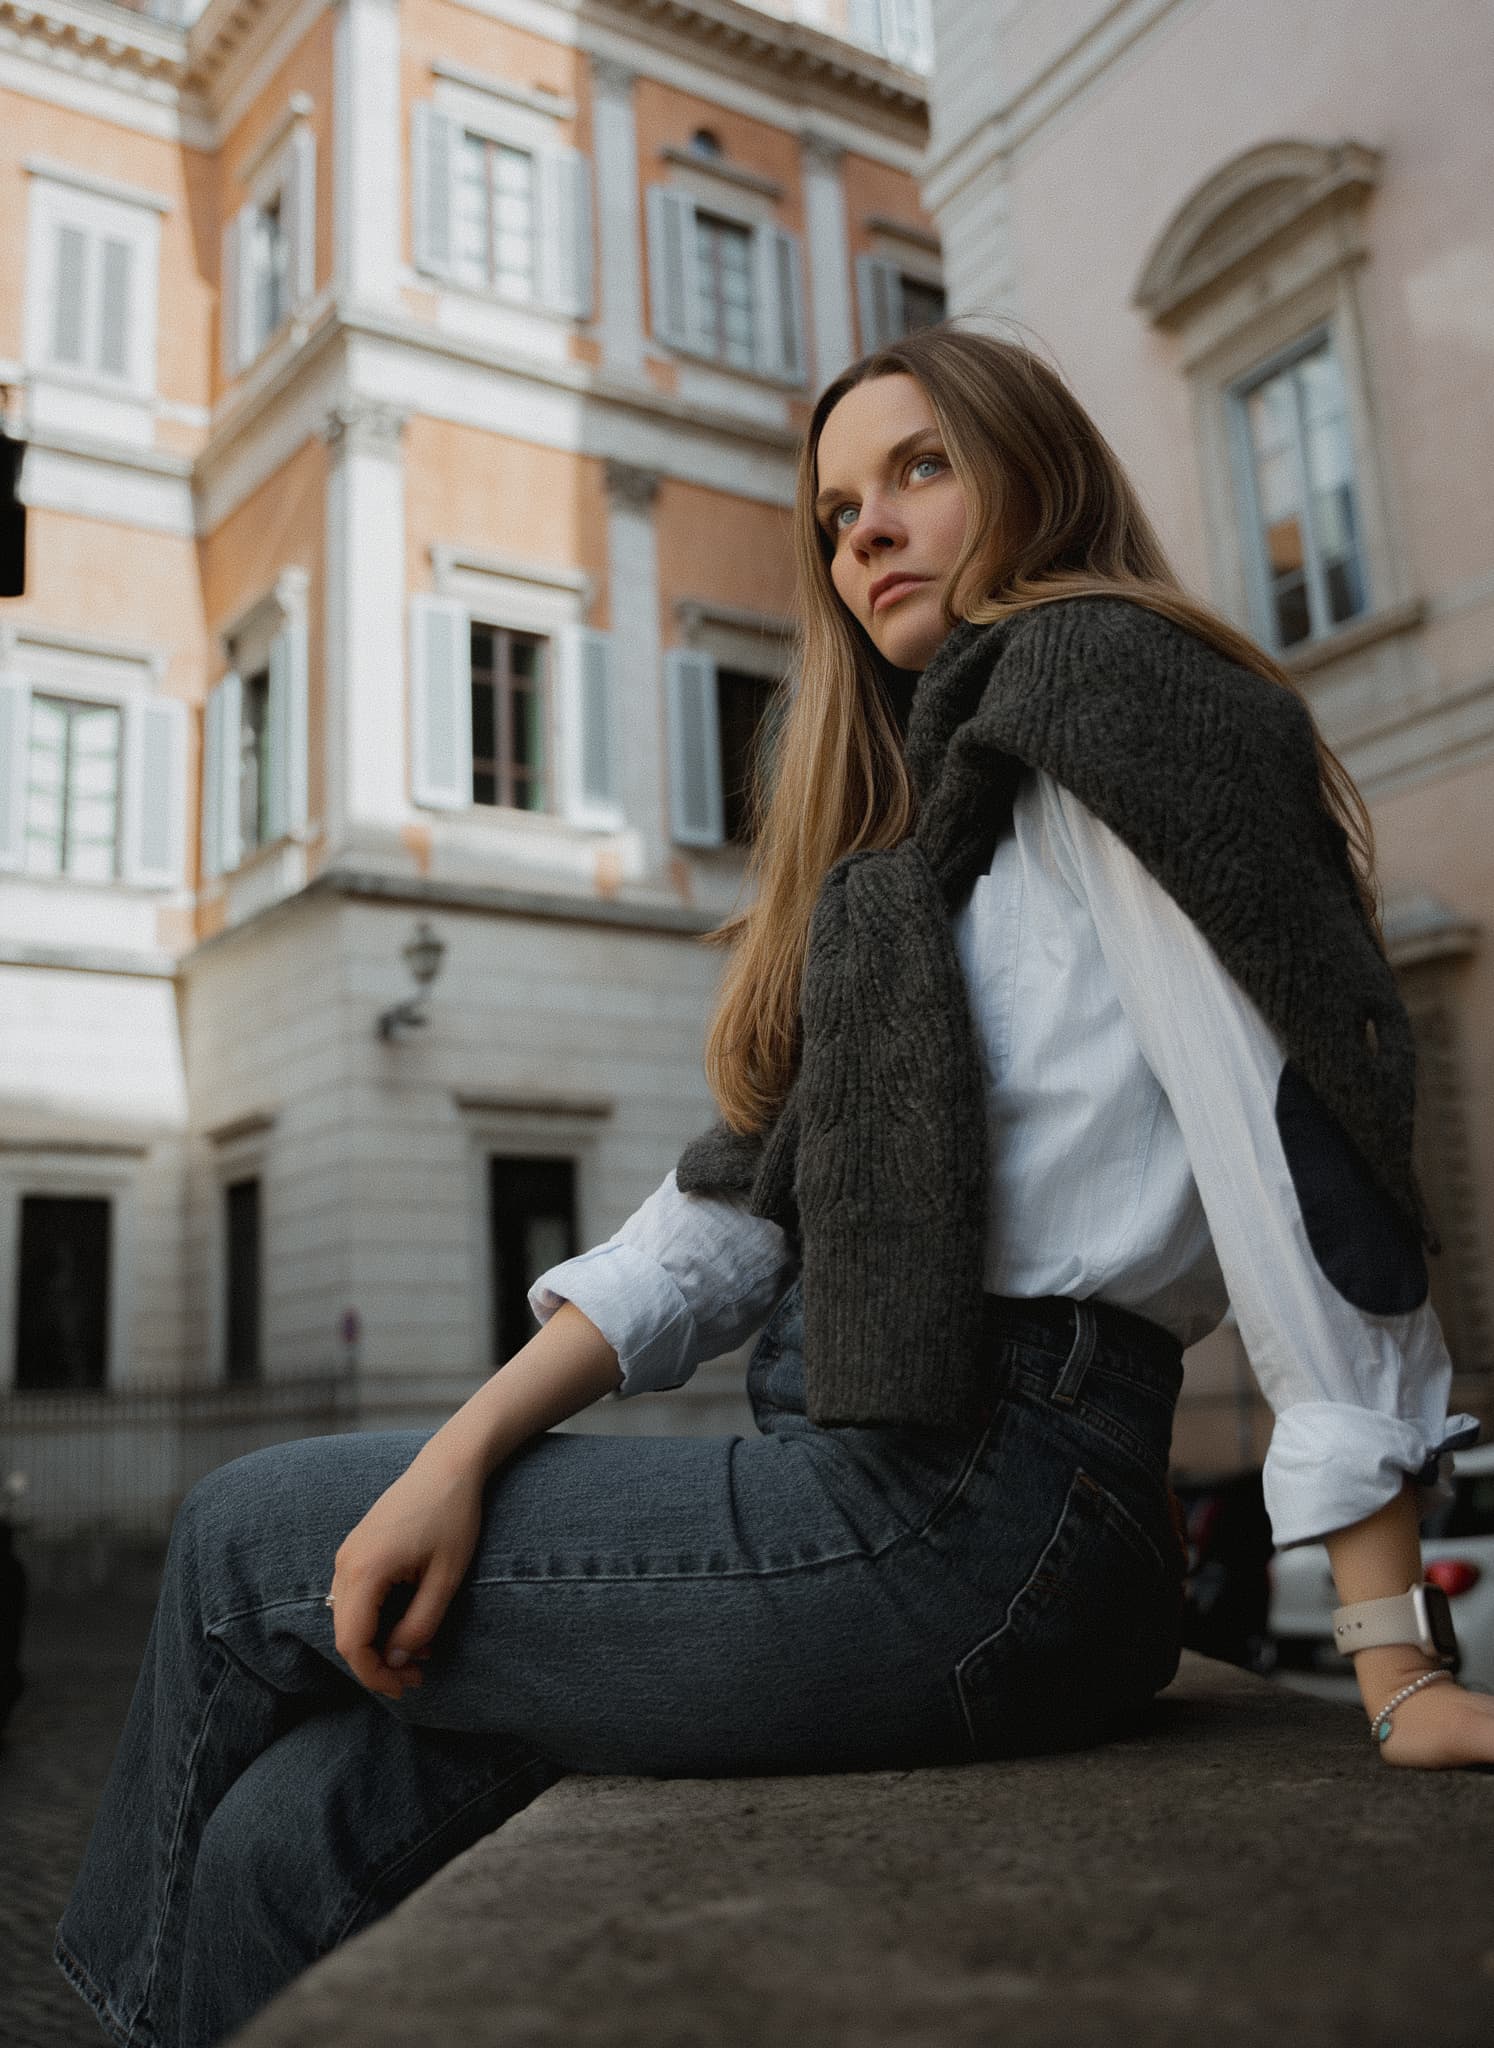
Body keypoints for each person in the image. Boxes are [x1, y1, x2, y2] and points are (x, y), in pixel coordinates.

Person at [56, 327, 1494, 2047]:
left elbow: (1295, 1142)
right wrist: (463, 1451)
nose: (862, 532)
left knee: (234, 1541)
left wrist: (1386, 1647)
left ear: (1037, 470)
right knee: (298, 1836)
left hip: (981, 1508)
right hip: (906, 1500)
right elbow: (727, 1226)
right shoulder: (930, 840)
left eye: (918, 470)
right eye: (831, 510)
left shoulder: (1109, 692)